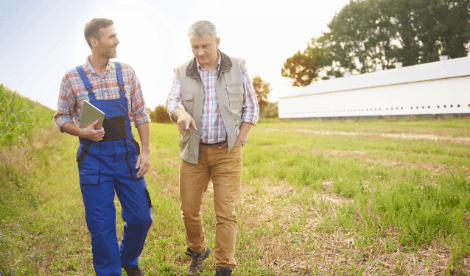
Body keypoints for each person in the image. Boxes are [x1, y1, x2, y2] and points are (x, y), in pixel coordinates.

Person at [53, 18, 152, 276]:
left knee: (142, 218)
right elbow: (61, 117)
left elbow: (141, 114)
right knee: (101, 226)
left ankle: (128, 260)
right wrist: (81, 130)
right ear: (94, 42)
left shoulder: (127, 73)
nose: (117, 40)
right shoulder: (72, 78)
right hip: (93, 160)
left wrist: (146, 151)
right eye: (111, 37)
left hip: (127, 156)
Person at [166, 20, 259, 276]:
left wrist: (239, 139)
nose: (199, 52)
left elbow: (251, 107)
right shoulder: (182, 71)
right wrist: (180, 114)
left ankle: (224, 265)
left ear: (217, 42)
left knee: (226, 212)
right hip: (193, 153)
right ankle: (198, 249)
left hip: (227, 152)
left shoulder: (237, 67)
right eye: (194, 47)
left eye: (205, 46)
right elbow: (172, 102)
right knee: (189, 210)